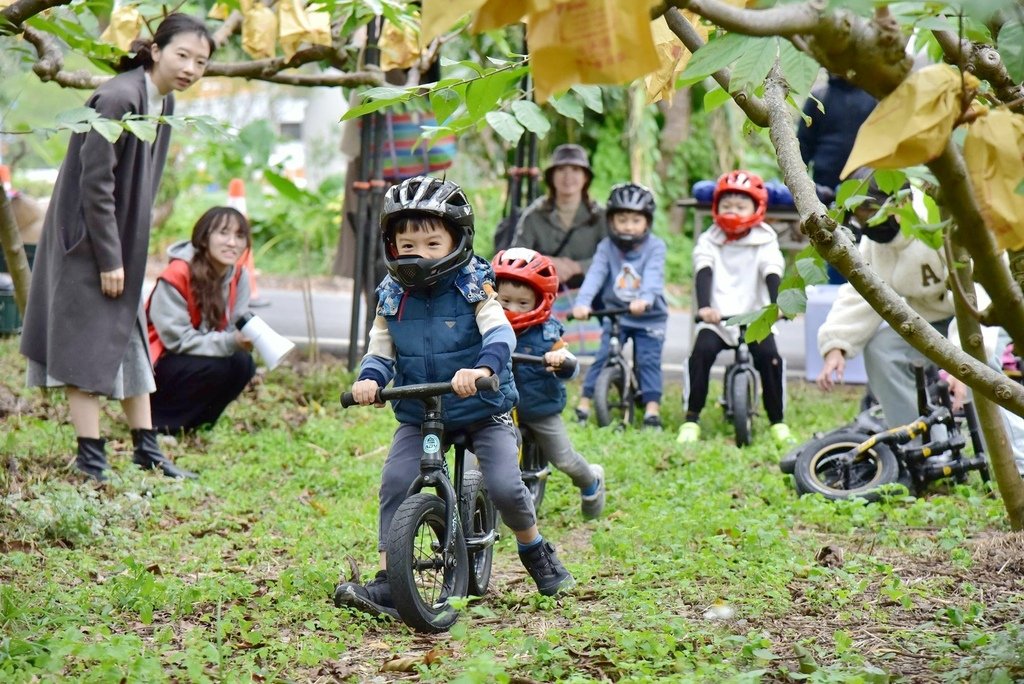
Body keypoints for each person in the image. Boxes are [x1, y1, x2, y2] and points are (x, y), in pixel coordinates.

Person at [334, 176, 575, 619]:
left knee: (505, 484)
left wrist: (484, 369)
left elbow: (499, 330)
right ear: (391, 245)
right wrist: (369, 379)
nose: (419, 255)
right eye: (407, 245)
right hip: (422, 410)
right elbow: (381, 346)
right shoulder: (391, 293)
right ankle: (389, 579)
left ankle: (534, 548)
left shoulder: (474, 282)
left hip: (483, 408)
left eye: (431, 243)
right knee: (395, 481)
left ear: (456, 242)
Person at [19, 13, 213, 481]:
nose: (190, 67)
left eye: (201, 62)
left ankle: (146, 448)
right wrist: (109, 257)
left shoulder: (158, 102)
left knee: (127, 339)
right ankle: (91, 457)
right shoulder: (120, 96)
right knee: (81, 349)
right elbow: (95, 184)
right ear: (156, 50)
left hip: (114, 246)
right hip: (87, 246)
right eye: (182, 54)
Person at [816, 168, 953, 432]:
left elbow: (976, 293)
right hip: (929, 322)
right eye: (859, 215)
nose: (866, 222)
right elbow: (861, 293)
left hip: (977, 320)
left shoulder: (937, 223)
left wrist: (966, 364)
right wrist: (836, 344)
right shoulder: (874, 244)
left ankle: (1012, 457)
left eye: (871, 211)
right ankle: (921, 444)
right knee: (881, 350)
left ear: (902, 202)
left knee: (985, 364)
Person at [491, 247, 606, 519]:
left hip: (540, 408)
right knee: (485, 452)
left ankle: (591, 481)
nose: (512, 310)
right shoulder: (487, 326)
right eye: (505, 301)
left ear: (541, 300)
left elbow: (570, 364)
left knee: (564, 458)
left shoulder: (547, 332)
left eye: (522, 303)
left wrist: (561, 359)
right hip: (499, 408)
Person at [677, 171, 790, 445]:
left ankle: (777, 421)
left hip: (756, 317)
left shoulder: (766, 239)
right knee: (700, 353)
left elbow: (771, 271)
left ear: (757, 208)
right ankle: (691, 419)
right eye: (727, 205)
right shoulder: (709, 239)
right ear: (716, 207)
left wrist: (778, 305)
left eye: (741, 206)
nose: (733, 211)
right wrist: (705, 307)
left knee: (770, 358)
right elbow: (703, 270)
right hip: (718, 317)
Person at [146, 207, 257, 434]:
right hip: (158, 360)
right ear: (205, 237)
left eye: (239, 236)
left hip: (194, 355)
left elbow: (236, 321)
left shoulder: (238, 275)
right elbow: (177, 340)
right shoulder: (177, 274)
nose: (232, 243)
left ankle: (197, 425)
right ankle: (160, 425)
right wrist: (230, 342)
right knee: (213, 365)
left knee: (242, 363)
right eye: (223, 233)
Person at [572, 183, 668, 429]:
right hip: (617, 315)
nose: (628, 226)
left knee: (648, 360)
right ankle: (584, 404)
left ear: (647, 222)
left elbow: (654, 276)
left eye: (635, 220)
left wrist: (645, 299)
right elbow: (595, 275)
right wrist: (582, 303)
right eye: (622, 219)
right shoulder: (606, 247)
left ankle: (651, 411)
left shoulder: (655, 247)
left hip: (649, 316)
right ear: (611, 221)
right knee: (603, 355)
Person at [511, 144, 606, 289]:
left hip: (593, 294)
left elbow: (614, 256)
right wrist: (545, 262)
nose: (568, 176)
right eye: (561, 170)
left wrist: (578, 266)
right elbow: (515, 257)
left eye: (575, 169)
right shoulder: (534, 215)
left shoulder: (600, 215)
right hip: (542, 292)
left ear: (585, 177)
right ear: (552, 177)